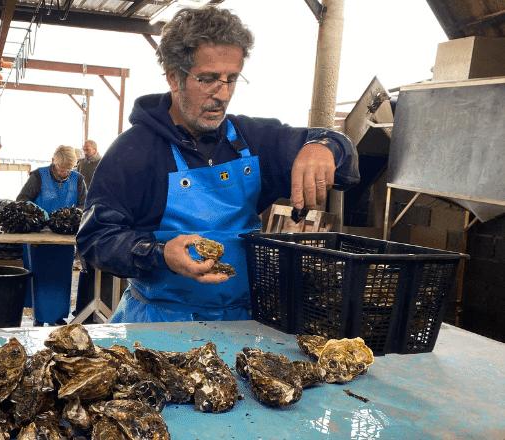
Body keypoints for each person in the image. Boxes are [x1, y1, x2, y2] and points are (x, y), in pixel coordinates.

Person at [75, 6, 359, 324]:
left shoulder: (254, 139)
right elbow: (94, 239)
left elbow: (345, 161)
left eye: (231, 79)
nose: (222, 94)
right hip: (156, 323)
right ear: (173, 77)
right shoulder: (134, 152)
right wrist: (159, 253)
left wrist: (323, 146)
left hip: (243, 323)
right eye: (208, 79)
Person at [16, 145, 87, 326]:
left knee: (61, 279)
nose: (65, 173)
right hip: (38, 239)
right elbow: (22, 200)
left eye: (69, 168)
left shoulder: (78, 179)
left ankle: (58, 317)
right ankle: (39, 318)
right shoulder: (38, 176)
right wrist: (39, 213)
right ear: (54, 161)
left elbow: (84, 206)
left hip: (64, 240)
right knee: (40, 279)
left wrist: (72, 216)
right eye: (62, 168)